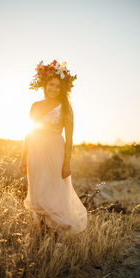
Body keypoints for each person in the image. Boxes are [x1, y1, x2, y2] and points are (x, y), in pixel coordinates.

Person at [20, 59, 87, 236]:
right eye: (51, 85)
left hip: (54, 152)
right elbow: (28, 133)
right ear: (45, 85)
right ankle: (42, 232)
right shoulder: (35, 106)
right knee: (38, 193)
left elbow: (70, 137)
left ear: (62, 89)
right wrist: (23, 158)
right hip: (34, 152)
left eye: (58, 87)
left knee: (54, 193)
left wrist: (66, 163)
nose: (54, 89)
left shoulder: (65, 107)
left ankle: (57, 233)